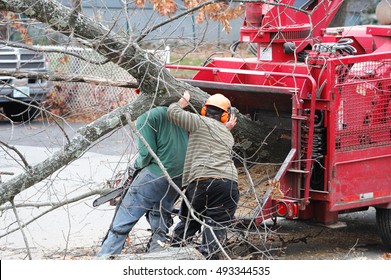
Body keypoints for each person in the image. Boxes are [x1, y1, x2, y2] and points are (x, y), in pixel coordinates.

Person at [97, 106, 188, 257]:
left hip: (156, 174)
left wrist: (134, 167)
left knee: (123, 219)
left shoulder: (146, 116)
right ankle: (156, 254)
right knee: (160, 214)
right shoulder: (181, 114)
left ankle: (105, 259)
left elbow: (146, 154)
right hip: (178, 176)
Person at [167, 91, 239, 260]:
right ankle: (209, 258)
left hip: (202, 181)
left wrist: (182, 102)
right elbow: (215, 132)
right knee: (216, 225)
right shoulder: (227, 135)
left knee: (189, 220)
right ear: (225, 116)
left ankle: (172, 254)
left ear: (204, 110)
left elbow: (172, 113)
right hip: (228, 184)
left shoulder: (198, 121)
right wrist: (226, 127)